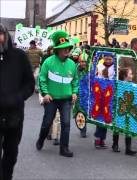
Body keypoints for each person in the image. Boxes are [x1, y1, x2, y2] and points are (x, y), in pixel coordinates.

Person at [36, 30, 79, 157]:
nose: (66, 50)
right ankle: (41, 138)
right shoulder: (48, 62)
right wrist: (45, 94)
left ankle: (64, 148)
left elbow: (75, 80)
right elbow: (42, 79)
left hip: (66, 99)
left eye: (67, 48)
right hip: (51, 99)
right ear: (57, 50)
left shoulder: (72, 64)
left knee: (66, 123)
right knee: (47, 122)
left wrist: (74, 92)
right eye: (63, 48)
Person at [0, 23, 35, 180]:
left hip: (14, 115)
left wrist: (18, 97)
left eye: (0, 34)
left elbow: (29, 83)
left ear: (5, 36)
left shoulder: (19, 57)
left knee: (11, 153)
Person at [111, 67, 137, 155]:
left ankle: (128, 148)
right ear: (125, 76)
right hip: (119, 108)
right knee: (117, 126)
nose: (132, 75)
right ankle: (115, 144)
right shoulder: (119, 84)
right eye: (130, 74)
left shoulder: (132, 85)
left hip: (128, 108)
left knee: (128, 127)